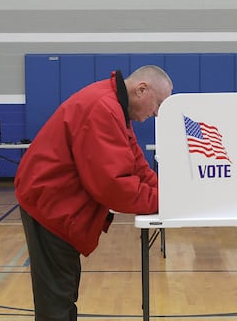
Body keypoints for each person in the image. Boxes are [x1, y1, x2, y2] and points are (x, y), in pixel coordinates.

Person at [14, 65, 173, 321]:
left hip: (58, 202)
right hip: (50, 205)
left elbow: (137, 166)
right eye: (158, 105)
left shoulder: (116, 106)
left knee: (63, 291)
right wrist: (167, 200)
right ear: (142, 90)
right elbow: (114, 187)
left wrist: (171, 193)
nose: (155, 114)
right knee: (56, 300)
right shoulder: (103, 107)